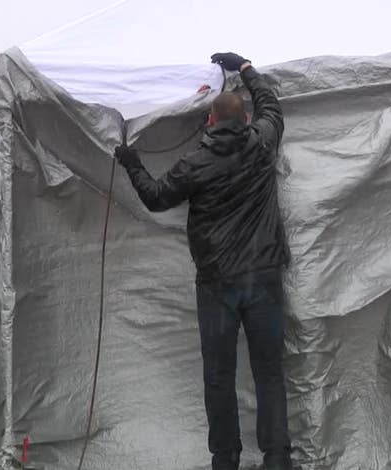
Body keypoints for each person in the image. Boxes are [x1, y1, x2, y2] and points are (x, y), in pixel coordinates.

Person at [114, 53, 291, 470]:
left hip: (218, 282)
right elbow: (271, 105)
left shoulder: (197, 162)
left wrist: (133, 164)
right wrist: (245, 67)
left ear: (210, 122)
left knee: (219, 377)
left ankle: (225, 460)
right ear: (244, 120)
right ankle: (278, 458)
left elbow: (157, 198)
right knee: (269, 373)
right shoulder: (262, 142)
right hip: (263, 275)